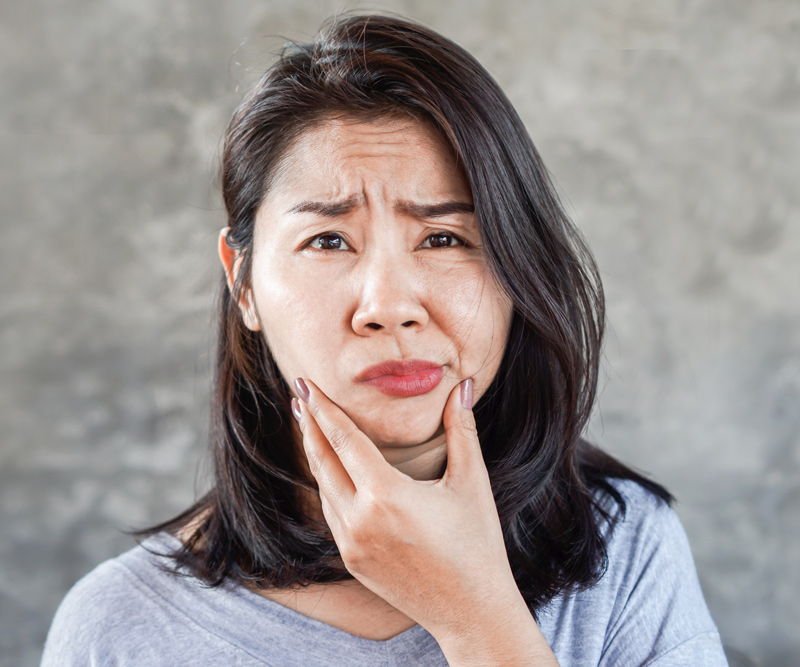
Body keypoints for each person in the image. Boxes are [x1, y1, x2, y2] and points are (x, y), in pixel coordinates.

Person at [41, 13, 728, 666]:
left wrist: (475, 614)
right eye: (329, 240)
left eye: (443, 238)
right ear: (242, 281)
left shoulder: (624, 549)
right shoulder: (116, 628)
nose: (390, 307)